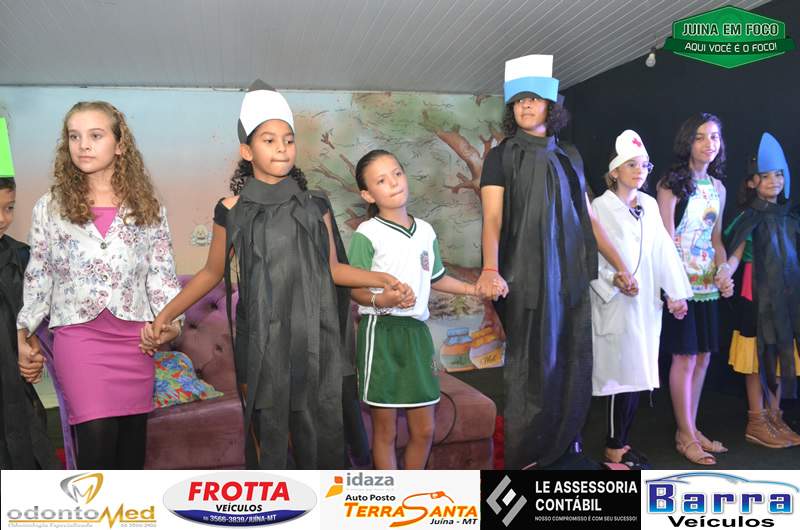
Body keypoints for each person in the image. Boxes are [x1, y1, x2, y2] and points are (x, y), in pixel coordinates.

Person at [144, 81, 409, 469]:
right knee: (270, 441)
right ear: (247, 151)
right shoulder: (231, 210)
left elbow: (334, 270)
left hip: (315, 341)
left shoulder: (316, 204)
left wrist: (380, 278)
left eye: (288, 139)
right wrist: (164, 316)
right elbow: (211, 273)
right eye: (269, 140)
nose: (282, 148)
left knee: (320, 441)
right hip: (260, 344)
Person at [477, 54, 637, 469]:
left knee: (571, 361)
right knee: (532, 369)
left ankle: (564, 448)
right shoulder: (500, 157)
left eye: (534, 99)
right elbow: (492, 219)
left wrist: (620, 265)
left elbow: (589, 219)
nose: (526, 106)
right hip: (523, 280)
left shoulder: (570, 155)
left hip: (569, 277)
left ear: (551, 106)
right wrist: (491, 269)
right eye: (519, 101)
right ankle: (526, 457)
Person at [17, 101, 182, 469]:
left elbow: (162, 277)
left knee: (130, 457)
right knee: (97, 444)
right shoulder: (50, 207)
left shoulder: (149, 208)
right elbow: (39, 274)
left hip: (136, 342)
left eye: (95, 135)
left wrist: (170, 324)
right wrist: (23, 331)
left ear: (120, 145)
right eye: (74, 137)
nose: (83, 145)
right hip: (80, 339)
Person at [349, 149, 486, 469]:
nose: (394, 183)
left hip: (417, 334)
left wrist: (473, 289)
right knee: (386, 432)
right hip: (381, 334)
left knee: (424, 430)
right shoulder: (367, 233)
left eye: (397, 173)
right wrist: (383, 300)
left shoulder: (425, 230)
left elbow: (437, 277)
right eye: (381, 180)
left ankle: (411, 495)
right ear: (368, 194)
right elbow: (354, 288)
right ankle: (391, 497)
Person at [589, 130, 692, 469]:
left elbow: (662, 250)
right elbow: (590, 255)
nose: (639, 171)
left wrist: (675, 292)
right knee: (618, 377)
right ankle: (613, 448)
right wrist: (613, 280)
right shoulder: (600, 207)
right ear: (615, 171)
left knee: (637, 375)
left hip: (645, 305)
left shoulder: (648, 205)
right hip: (615, 304)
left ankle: (622, 443)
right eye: (631, 164)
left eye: (644, 165)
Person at [656, 113, 733, 466]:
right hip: (680, 285)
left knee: (703, 357)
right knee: (684, 357)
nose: (708, 144)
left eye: (714, 137)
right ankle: (685, 435)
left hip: (707, 286)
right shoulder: (671, 183)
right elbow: (664, 239)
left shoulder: (718, 188)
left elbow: (716, 240)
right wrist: (673, 288)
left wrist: (723, 269)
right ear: (688, 142)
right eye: (701, 137)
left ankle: (689, 427)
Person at [723, 132, 800, 448]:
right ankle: (757, 420)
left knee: (780, 352)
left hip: (784, 297)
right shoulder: (748, 217)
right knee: (755, 357)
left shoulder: (788, 217)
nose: (773, 181)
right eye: (766, 176)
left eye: (778, 174)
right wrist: (724, 272)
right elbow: (735, 255)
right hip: (754, 295)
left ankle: (775, 416)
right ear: (752, 182)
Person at [0, 171, 59, 469]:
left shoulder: (19, 257)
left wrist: (32, 354)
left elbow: (27, 316)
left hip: (14, 393)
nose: (2, 218)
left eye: (9, 208)